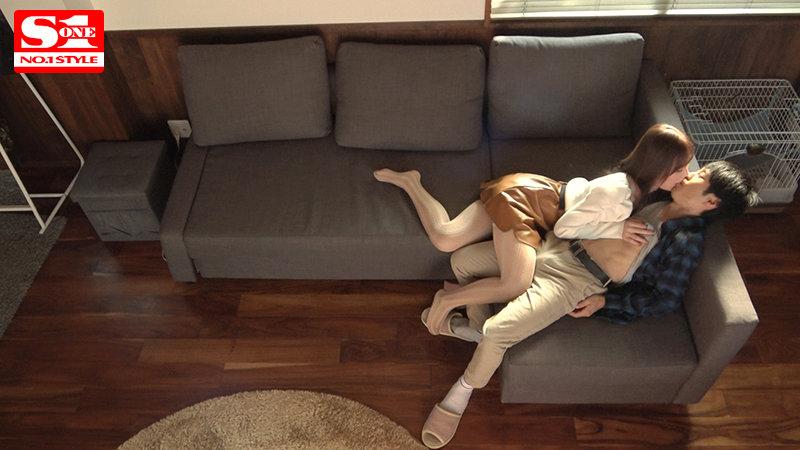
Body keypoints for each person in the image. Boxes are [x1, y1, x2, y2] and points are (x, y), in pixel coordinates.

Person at [419, 161, 758, 449]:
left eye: (700, 176)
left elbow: (664, 298)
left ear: (711, 201)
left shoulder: (685, 241)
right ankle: (475, 329)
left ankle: (460, 395)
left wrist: (605, 301)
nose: (689, 175)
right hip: (556, 246)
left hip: (575, 280)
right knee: (463, 261)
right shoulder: (657, 197)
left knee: (498, 332)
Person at [374, 124, 694, 337]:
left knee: (445, 237)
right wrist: (616, 228)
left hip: (526, 192)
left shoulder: (638, 190)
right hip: (531, 206)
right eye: (680, 169)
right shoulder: (622, 195)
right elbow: (566, 226)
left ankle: (411, 182)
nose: (686, 174)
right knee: (515, 282)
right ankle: (447, 300)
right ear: (659, 168)